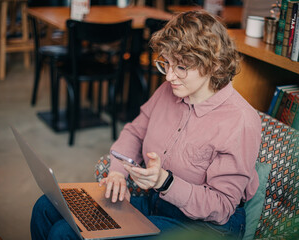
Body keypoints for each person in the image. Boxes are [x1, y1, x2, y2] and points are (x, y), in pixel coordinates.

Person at [30, 10, 262, 240]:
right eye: (166, 64)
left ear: (212, 64)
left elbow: (221, 207)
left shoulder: (240, 120)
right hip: (158, 205)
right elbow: (135, 131)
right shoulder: (169, 91)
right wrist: (117, 174)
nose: (169, 76)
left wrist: (165, 181)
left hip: (206, 226)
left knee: (64, 233)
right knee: (46, 207)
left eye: (181, 68)